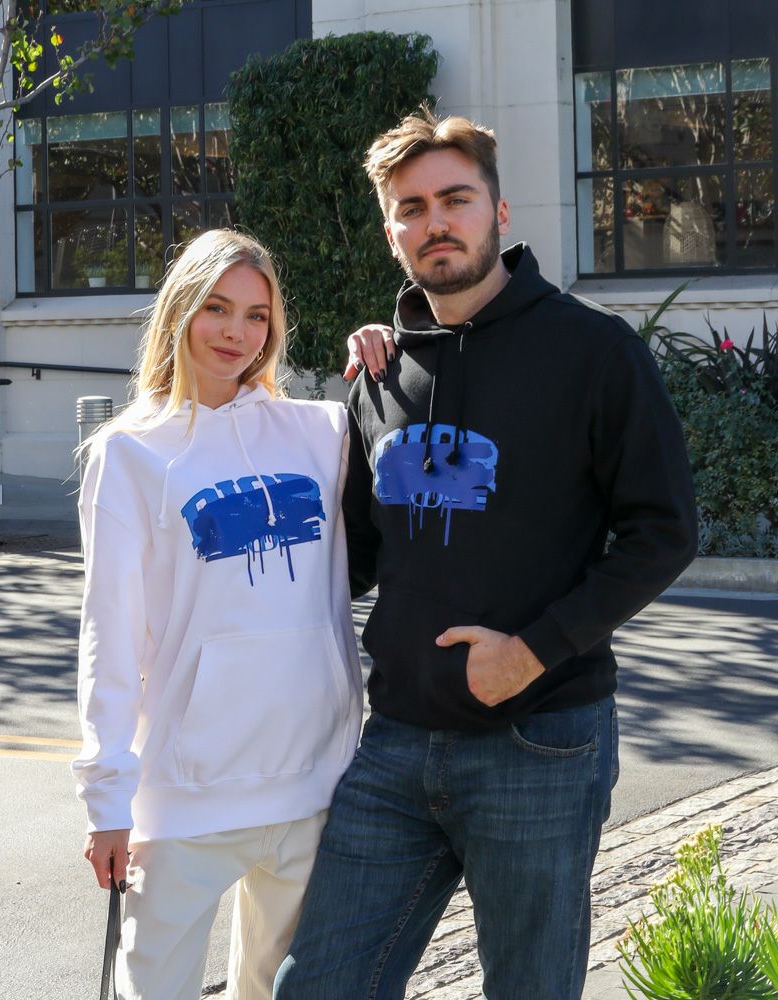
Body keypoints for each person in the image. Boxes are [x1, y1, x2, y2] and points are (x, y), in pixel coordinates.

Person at [274, 109, 698, 999]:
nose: (435, 222)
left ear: (499, 213)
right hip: (394, 743)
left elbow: (664, 532)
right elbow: (352, 556)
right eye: (411, 208)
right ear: (391, 233)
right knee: (317, 986)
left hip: (539, 741)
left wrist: (533, 652)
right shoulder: (379, 374)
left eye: (455, 199)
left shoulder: (595, 352)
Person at [72, 229, 365, 1000]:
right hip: (184, 797)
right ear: (181, 309)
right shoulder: (129, 453)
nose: (237, 332)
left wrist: (388, 343)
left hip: (312, 784)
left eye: (257, 315)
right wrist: (106, 801)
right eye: (217, 308)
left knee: (281, 991)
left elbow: (414, 414)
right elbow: (109, 636)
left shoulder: (320, 432)